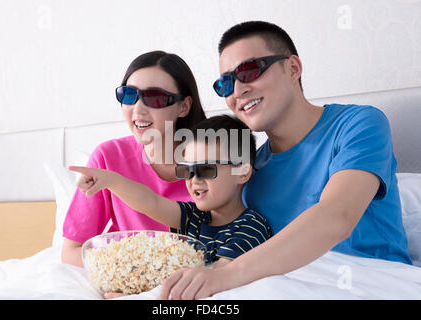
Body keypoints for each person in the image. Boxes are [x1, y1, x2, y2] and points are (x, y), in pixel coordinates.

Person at [159, 20, 412, 300]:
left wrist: (227, 276)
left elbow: (337, 216)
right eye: (225, 83)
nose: (238, 91)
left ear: (293, 68)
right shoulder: (249, 171)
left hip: (373, 284)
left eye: (250, 70)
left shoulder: (359, 124)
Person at [61, 50, 206, 267]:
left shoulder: (214, 161)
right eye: (129, 95)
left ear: (184, 107)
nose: (137, 109)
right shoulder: (107, 158)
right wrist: (130, 274)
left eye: (154, 98)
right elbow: (71, 251)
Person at [68, 114, 272, 268]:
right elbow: (150, 202)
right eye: (188, 170)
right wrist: (110, 180)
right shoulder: (194, 217)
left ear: (242, 172)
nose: (195, 180)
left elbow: (218, 277)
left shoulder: (251, 227)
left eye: (206, 169)